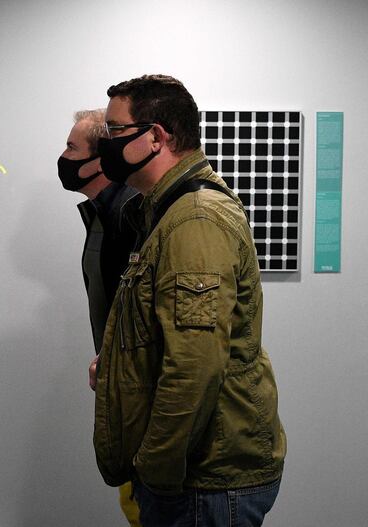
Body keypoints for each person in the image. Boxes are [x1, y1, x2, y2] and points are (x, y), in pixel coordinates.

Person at [91, 75, 286, 527]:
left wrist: (156, 470)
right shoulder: (167, 209)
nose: (107, 145)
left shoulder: (194, 219)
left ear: (156, 137)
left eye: (115, 131)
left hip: (204, 482)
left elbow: (195, 366)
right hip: (199, 476)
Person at [57, 109, 141, 526]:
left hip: (141, 399)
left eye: (72, 147)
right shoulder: (101, 214)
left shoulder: (131, 214)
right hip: (122, 388)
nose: (64, 157)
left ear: (100, 159)